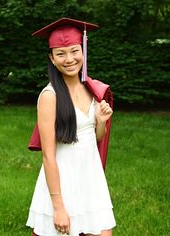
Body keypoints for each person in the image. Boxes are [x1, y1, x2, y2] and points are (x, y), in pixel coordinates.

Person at [26, 18, 116, 236]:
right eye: (60, 53)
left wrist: (101, 122)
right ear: (52, 59)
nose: (69, 59)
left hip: (90, 178)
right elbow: (48, 156)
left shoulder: (91, 90)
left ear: (83, 51)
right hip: (63, 182)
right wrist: (58, 207)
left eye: (74, 51)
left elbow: (95, 138)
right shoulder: (50, 96)